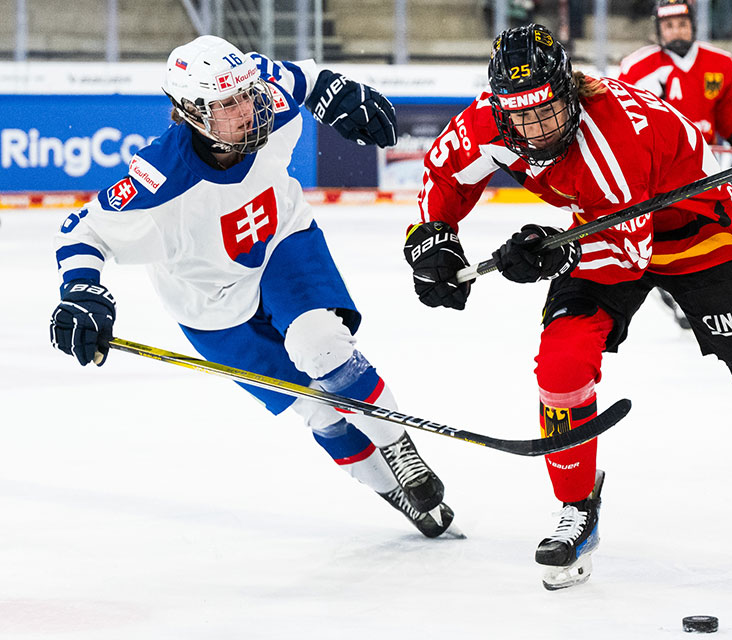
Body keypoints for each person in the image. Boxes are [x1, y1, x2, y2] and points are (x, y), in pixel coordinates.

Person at [403, 23, 732, 590]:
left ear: (568, 93)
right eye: (521, 116)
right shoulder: (489, 122)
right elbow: (444, 173)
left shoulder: (613, 136)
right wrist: (434, 237)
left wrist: (548, 255)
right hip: (605, 222)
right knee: (561, 364)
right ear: (499, 107)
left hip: (699, 234)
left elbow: (624, 253)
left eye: (547, 112)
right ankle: (577, 508)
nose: (537, 130)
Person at [49, 35, 457, 539]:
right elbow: (81, 230)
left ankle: (397, 446)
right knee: (318, 410)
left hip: (281, 245)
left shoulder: (268, 101)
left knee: (320, 343)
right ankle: (390, 490)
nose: (246, 110)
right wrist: (81, 291)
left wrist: (338, 90)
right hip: (209, 305)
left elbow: (304, 78)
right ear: (190, 112)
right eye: (227, 105)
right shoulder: (159, 182)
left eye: (246, 93)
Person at [618, 0, 732, 330]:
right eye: (669, 26)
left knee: (716, 228)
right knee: (666, 232)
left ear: (693, 26)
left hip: (703, 167)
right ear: (658, 30)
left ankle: (718, 292)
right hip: (658, 169)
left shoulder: (720, 62)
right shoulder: (636, 67)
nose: (676, 31)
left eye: (682, 24)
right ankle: (670, 285)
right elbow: (623, 122)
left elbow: (727, 112)